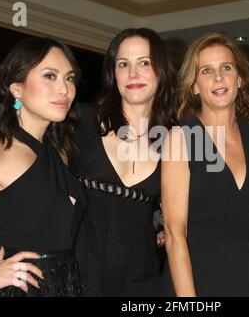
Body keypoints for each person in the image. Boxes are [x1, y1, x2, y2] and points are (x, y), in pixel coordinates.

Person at [160, 32, 249, 297]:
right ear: (194, 85)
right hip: (196, 283)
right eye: (206, 70)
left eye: (226, 68)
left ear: (240, 79)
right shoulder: (182, 139)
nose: (218, 77)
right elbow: (175, 233)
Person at [69, 28, 178, 296]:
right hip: (75, 279)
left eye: (144, 63)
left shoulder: (176, 140)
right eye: (123, 64)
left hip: (142, 284)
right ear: (112, 73)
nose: (132, 73)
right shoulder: (78, 120)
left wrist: (161, 222)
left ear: (161, 71)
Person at [0, 37, 86, 296]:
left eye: (70, 78)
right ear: (16, 89)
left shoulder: (57, 151)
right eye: (50, 76)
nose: (64, 89)